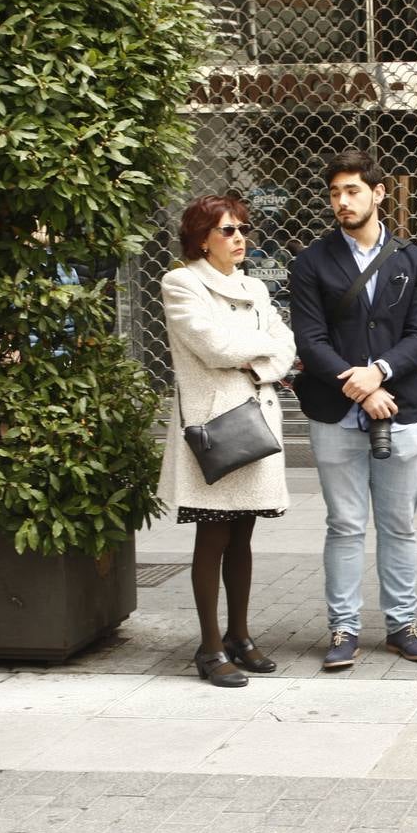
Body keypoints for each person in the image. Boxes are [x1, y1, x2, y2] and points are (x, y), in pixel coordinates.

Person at [289, 149, 417, 669]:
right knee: (346, 524)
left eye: (351, 191)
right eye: (334, 193)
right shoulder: (310, 261)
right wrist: (361, 386)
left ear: (378, 193)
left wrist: (380, 372)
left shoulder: (413, 259)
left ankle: (402, 624)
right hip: (336, 412)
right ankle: (343, 630)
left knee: (399, 524)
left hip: (402, 406)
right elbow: (309, 340)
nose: (341, 202)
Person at [158, 195, 296, 688]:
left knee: (243, 536)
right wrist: (260, 352)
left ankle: (240, 635)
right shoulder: (182, 283)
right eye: (227, 230)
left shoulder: (255, 286)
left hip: (254, 422)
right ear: (202, 239)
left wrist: (253, 356)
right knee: (212, 535)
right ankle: (210, 646)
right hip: (215, 426)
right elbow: (213, 347)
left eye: (242, 228)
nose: (239, 238)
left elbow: (286, 348)